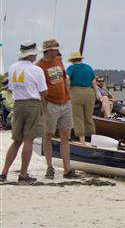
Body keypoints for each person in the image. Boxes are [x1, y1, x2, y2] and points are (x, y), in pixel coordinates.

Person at [1, 42, 47, 183]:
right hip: (32, 104)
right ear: (32, 54)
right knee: (29, 140)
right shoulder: (37, 70)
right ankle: (23, 174)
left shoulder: (13, 67)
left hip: (18, 104)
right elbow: (43, 91)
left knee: (16, 141)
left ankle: (4, 173)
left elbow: (11, 87)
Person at [36, 39, 79, 179]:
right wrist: (43, 106)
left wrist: (69, 96)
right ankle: (49, 167)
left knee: (65, 136)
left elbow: (64, 78)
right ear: (48, 51)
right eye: (55, 50)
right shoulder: (39, 66)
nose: (58, 52)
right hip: (50, 104)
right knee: (47, 135)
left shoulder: (59, 61)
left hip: (65, 103)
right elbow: (39, 89)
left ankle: (67, 169)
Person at [66, 52, 98, 143]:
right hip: (89, 92)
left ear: (72, 60)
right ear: (81, 59)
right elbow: (94, 84)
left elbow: (67, 78)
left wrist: (67, 91)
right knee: (89, 117)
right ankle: (93, 140)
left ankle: (82, 142)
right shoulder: (88, 67)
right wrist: (95, 96)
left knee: (78, 117)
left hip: (76, 93)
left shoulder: (71, 68)